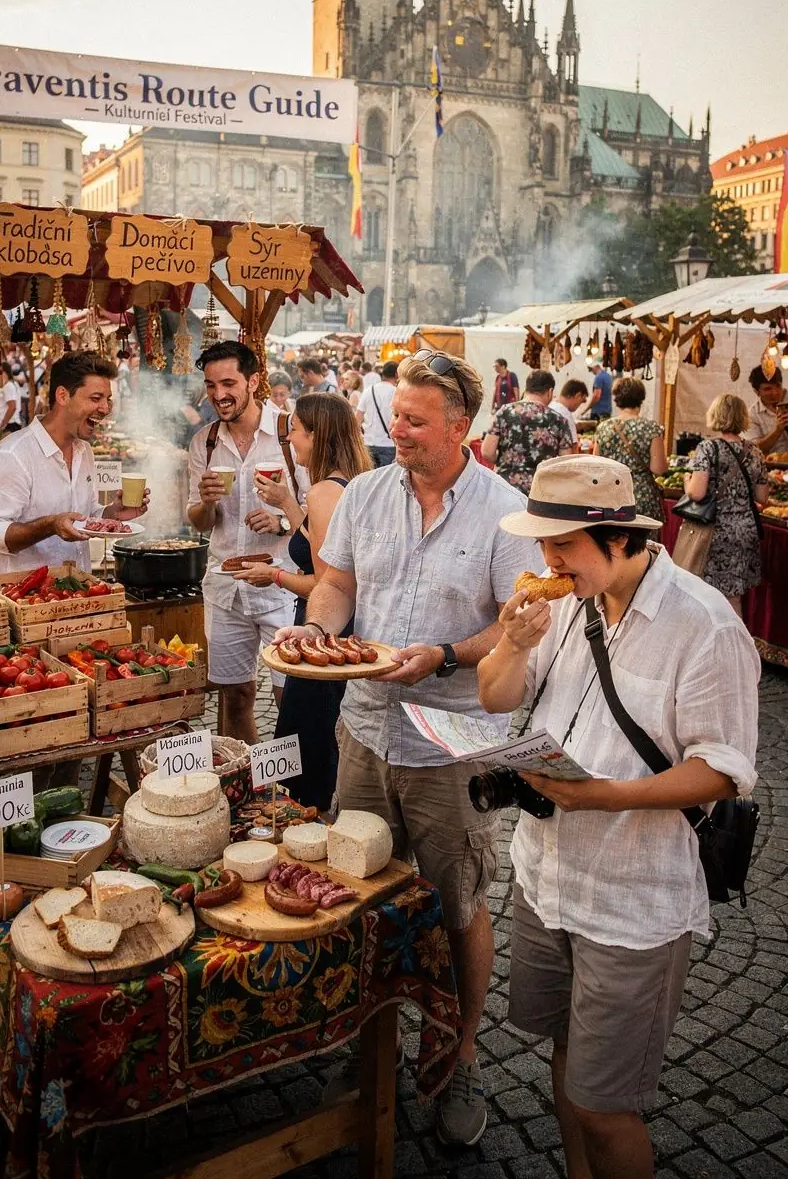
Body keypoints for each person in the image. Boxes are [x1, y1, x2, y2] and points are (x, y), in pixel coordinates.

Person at [276, 351, 541, 1146]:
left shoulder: (504, 509)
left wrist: (448, 654)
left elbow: (515, 623)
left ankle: (462, 1058)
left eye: (416, 420)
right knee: (356, 893)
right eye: (396, 415)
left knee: (458, 905)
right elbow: (337, 583)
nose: (399, 430)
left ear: (461, 428)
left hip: (451, 743)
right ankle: (366, 1047)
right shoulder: (363, 492)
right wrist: (319, 629)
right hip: (363, 727)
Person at [478, 455, 759, 1179]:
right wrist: (511, 642)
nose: (547, 561)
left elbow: (724, 769)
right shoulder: (567, 605)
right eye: (541, 545)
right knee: (570, 1062)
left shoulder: (703, 624)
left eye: (561, 546)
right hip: (547, 876)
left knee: (606, 1104)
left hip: (631, 901)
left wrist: (603, 795)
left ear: (617, 536)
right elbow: (495, 697)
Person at [237, 393, 372, 811]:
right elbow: (327, 545)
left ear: (316, 435)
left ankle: (303, 827)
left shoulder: (324, 491)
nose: (289, 439)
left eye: (294, 430)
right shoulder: (354, 480)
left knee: (303, 740)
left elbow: (324, 582)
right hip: (341, 627)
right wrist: (288, 506)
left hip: (321, 628)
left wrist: (273, 575)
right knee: (316, 734)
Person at [186, 341, 295, 744]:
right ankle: (246, 784)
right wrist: (208, 502)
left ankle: (299, 792)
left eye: (228, 383)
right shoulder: (205, 442)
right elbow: (199, 522)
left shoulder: (288, 434)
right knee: (236, 695)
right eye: (211, 385)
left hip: (282, 585)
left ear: (254, 381)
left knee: (291, 695)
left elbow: (320, 511)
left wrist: (282, 519)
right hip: (225, 588)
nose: (219, 395)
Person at [0, 352, 148, 575]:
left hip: (78, 591)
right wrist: (49, 526)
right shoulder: (13, 455)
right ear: (63, 396)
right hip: (26, 600)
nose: (105, 409)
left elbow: (83, 516)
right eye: (96, 399)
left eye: (108, 399)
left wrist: (112, 514)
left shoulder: (84, 450)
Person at [683, 393, 768, 616]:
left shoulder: (708, 448)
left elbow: (697, 493)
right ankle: (735, 644)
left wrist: (687, 482)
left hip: (716, 531)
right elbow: (762, 497)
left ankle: (721, 646)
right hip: (745, 531)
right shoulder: (755, 451)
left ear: (715, 415)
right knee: (733, 597)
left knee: (709, 595)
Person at [481, 369, 573, 493]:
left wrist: (505, 461)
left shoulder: (505, 412)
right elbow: (565, 462)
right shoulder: (559, 420)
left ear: (527, 388)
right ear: (550, 392)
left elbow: (486, 451)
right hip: (541, 493)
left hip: (505, 489)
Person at [593, 376, 666, 521]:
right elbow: (659, 469)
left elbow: (596, 466)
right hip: (642, 499)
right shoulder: (651, 428)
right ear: (641, 398)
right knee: (644, 543)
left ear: (617, 399)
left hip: (611, 497)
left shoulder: (603, 428)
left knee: (613, 541)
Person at [357, 359, 398, 466]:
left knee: (370, 479)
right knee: (386, 480)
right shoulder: (396, 392)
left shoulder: (368, 390)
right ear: (396, 374)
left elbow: (358, 416)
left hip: (368, 442)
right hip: (388, 443)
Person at [743, 365, 788, 455]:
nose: (775, 392)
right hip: (772, 466)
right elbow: (754, 449)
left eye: (778, 386)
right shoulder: (752, 415)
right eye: (768, 389)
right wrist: (777, 430)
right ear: (756, 391)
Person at [549, 378, 588, 449]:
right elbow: (574, 448)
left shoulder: (550, 406)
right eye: (582, 401)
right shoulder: (566, 415)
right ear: (578, 395)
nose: (580, 405)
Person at [0, 364, 23, 433]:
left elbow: (12, 407)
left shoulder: (9, 386)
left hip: (8, 425)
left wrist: (3, 423)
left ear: (5, 372)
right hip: (3, 425)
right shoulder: (5, 385)